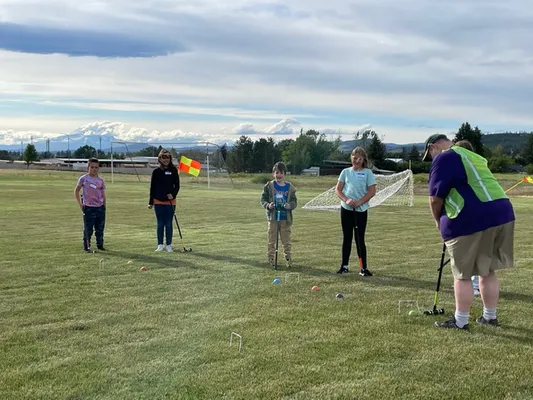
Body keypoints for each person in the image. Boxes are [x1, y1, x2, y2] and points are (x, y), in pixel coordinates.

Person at [422, 133, 515, 329]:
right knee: (487, 270)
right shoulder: (475, 157)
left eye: (429, 155)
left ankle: (460, 321)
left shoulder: (443, 157)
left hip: (471, 216)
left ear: (433, 147)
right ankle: (490, 317)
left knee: (462, 274)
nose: (431, 159)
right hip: (503, 213)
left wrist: (438, 221)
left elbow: (435, 198)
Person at [334, 147, 376, 276]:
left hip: (361, 210)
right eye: (354, 157)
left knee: (359, 238)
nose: (357, 160)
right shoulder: (345, 172)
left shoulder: (368, 173)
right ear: (351, 157)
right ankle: (344, 265)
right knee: (347, 237)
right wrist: (346, 200)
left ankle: (363, 268)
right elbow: (338, 190)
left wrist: (359, 202)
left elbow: (372, 191)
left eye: (360, 158)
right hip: (346, 209)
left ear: (363, 160)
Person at [453, 139, 480, 296]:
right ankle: (466, 283)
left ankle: (474, 285)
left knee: (473, 251)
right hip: (467, 211)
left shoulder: (470, 167)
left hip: (473, 211)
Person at [260, 162, 297, 268]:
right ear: (273, 174)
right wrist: (268, 205)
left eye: (281, 173)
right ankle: (271, 258)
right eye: (277, 173)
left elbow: (294, 202)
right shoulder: (269, 186)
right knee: (271, 239)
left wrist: (289, 205)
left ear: (285, 174)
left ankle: (288, 258)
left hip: (285, 218)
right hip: (273, 218)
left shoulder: (290, 188)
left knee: (286, 240)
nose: (279, 175)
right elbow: (263, 199)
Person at [148, 149, 180, 252]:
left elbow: (177, 186)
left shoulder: (174, 170)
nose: (165, 159)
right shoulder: (156, 172)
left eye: (168, 157)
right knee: (160, 223)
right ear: (159, 159)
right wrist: (150, 202)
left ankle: (169, 245)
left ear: (170, 158)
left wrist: (173, 194)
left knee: (168, 223)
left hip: (170, 201)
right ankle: (160, 244)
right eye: (163, 157)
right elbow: (152, 187)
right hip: (158, 201)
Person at [74, 158, 107, 253]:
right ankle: (87, 246)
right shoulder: (84, 179)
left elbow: (103, 194)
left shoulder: (100, 180)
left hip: (99, 207)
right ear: (88, 167)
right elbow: (76, 191)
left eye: (96, 167)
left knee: (100, 228)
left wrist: (104, 205)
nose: (94, 169)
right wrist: (81, 204)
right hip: (88, 207)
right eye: (92, 167)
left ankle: (100, 245)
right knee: (88, 229)